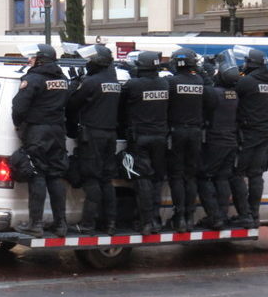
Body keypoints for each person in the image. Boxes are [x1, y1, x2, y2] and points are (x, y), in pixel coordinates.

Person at [11, 43, 69, 238]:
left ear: (40, 59)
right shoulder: (63, 79)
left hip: (38, 132)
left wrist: (19, 125)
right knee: (55, 175)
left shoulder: (33, 79)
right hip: (57, 131)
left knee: (37, 175)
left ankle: (35, 224)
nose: (29, 60)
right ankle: (61, 224)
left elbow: (19, 107)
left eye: (32, 57)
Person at [66, 44, 119, 236]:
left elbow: (72, 104)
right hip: (110, 135)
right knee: (107, 179)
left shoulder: (91, 82)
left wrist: (74, 83)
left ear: (97, 62)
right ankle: (110, 223)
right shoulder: (114, 82)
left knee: (91, 179)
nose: (87, 63)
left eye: (89, 60)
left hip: (93, 136)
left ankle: (88, 224)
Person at [119, 50, 169, 235]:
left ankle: (146, 222)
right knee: (156, 178)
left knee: (143, 179)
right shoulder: (165, 83)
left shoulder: (133, 84)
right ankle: (156, 219)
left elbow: (122, 104)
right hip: (160, 138)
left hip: (140, 138)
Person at [231, 48, 268, 227]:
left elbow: (231, 95)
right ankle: (254, 215)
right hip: (264, 134)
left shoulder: (247, 82)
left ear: (250, 63)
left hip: (248, 134)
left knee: (237, 174)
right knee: (256, 174)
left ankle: (245, 214)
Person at [197, 50, 241, 230]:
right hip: (231, 142)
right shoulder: (235, 94)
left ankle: (215, 217)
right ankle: (223, 215)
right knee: (222, 178)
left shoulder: (214, 93)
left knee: (204, 178)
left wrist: (204, 71)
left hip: (216, 141)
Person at [165, 47, 204, 232]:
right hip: (196, 134)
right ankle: (190, 217)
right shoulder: (201, 82)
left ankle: (179, 217)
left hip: (177, 133)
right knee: (191, 176)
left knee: (177, 176)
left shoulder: (171, 83)